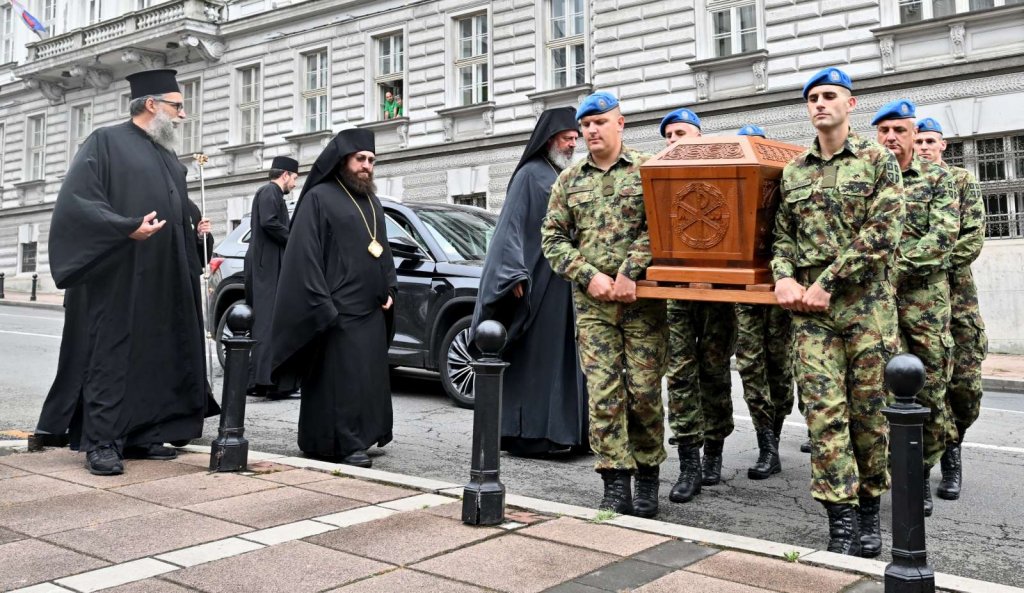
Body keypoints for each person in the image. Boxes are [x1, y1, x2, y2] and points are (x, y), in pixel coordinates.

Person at [41, 69, 220, 476]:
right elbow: (78, 202)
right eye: (177, 105)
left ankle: (143, 434)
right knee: (112, 356)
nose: (183, 114)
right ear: (151, 104)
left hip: (164, 276)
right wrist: (126, 228)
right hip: (120, 275)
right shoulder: (105, 142)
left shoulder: (168, 156)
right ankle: (102, 442)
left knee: (157, 353)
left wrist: (196, 232)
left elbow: (178, 208)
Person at [772, 67, 904, 556]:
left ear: (850, 104)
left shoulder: (877, 160)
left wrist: (828, 281)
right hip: (812, 314)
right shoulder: (794, 170)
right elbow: (782, 236)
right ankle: (840, 520)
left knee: (869, 415)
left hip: (866, 308)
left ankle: (869, 510)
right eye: (813, 98)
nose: (820, 104)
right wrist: (784, 277)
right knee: (823, 414)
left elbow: (883, 232)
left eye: (829, 96)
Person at [542, 92, 667, 518]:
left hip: (642, 303)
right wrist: (588, 275)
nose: (592, 130)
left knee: (644, 392)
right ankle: (615, 481)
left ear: (620, 123)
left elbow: (662, 226)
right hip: (593, 305)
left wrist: (631, 270)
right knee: (604, 394)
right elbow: (552, 239)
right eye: (586, 125)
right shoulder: (569, 180)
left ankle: (647, 475)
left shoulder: (648, 169)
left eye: (599, 122)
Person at [270, 129, 397, 468]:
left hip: (371, 309)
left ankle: (366, 434)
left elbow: (383, 250)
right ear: (343, 161)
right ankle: (340, 443)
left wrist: (390, 288)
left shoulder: (371, 201)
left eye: (371, 160)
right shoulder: (319, 197)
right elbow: (305, 256)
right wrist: (323, 305)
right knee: (342, 381)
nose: (366, 166)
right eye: (360, 159)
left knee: (367, 378)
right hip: (337, 311)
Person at [471, 107, 588, 458]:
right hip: (537, 283)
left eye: (575, 138)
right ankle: (530, 434)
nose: (572, 144)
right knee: (539, 361)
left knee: (567, 361)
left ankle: (570, 433)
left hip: (566, 283)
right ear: (550, 139)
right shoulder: (529, 175)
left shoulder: (564, 174)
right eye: (567, 138)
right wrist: (512, 274)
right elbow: (510, 226)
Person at [874, 101, 960, 519]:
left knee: (930, 390)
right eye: (884, 131)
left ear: (913, 134)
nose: (891, 138)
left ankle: (926, 470)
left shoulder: (938, 178)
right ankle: (903, 477)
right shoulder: (870, 177)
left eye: (899, 130)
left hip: (925, 304)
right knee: (880, 390)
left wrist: (893, 268)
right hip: (878, 303)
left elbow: (943, 237)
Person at [657, 108, 738, 504]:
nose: (675, 140)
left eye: (682, 133)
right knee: (680, 376)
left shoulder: (720, 174)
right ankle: (688, 463)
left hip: (718, 291)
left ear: (699, 138)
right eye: (669, 136)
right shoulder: (658, 179)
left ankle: (714, 453)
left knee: (715, 371)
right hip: (675, 292)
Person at [914, 117, 988, 502]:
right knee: (928, 387)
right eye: (919, 141)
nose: (924, 147)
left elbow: (973, 237)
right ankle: (934, 464)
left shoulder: (961, 180)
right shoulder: (906, 183)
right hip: (922, 303)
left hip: (958, 298)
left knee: (965, 386)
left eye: (931, 141)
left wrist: (933, 263)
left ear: (943, 145)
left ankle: (954, 445)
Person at [733, 124, 795, 482]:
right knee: (751, 365)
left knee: (780, 366)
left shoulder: (783, 183)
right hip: (745, 292)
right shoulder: (734, 186)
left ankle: (778, 430)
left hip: (779, 288)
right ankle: (766, 445)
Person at [244, 155, 299, 399]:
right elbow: (269, 222)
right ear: (285, 175)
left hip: (267, 263)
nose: (294, 184)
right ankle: (264, 380)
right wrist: (294, 239)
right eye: (294, 178)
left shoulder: (271, 193)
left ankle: (260, 380)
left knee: (267, 323)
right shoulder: (269, 191)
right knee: (266, 324)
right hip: (266, 266)